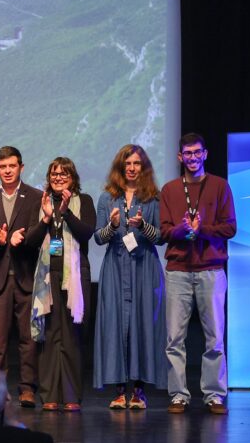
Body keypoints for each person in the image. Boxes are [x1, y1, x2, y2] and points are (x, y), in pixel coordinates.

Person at [159, 132, 236, 415]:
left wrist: (201, 229)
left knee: (214, 337)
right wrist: (181, 230)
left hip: (211, 269)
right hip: (178, 270)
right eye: (187, 153)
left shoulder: (220, 186)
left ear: (205, 154)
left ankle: (214, 394)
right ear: (180, 157)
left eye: (197, 152)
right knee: (174, 339)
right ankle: (178, 395)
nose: (192, 158)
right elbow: (163, 231)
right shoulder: (169, 190)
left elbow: (230, 227)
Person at [93, 145, 166, 409]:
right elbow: (98, 238)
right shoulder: (107, 198)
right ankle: (119, 390)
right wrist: (112, 226)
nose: (132, 168)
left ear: (143, 167)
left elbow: (160, 238)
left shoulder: (153, 198)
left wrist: (143, 226)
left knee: (142, 324)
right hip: (115, 266)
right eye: (128, 164)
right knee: (115, 325)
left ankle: (139, 391)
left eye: (136, 163)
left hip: (144, 266)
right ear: (120, 167)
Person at [26, 157, 95, 412]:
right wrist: (46, 219)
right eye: (54, 174)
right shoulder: (42, 202)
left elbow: (87, 233)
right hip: (47, 276)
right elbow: (31, 241)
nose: (58, 178)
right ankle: (50, 395)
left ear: (72, 178)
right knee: (50, 335)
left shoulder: (83, 201)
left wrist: (65, 212)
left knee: (72, 336)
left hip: (75, 276)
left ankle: (71, 395)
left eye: (63, 174)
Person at [0, 146, 43, 407]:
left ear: (21, 167)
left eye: (12, 166)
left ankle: (27, 389)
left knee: (28, 338)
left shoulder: (36, 196)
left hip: (27, 277)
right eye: (3, 167)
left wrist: (21, 239)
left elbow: (39, 233)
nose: (7, 171)